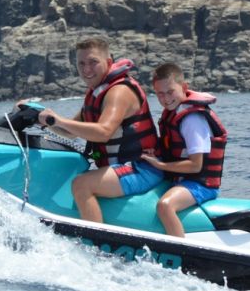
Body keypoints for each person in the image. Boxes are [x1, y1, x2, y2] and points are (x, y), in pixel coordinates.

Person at [35, 37, 161, 222]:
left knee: (81, 184)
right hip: (121, 167)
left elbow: (103, 132)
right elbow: (71, 131)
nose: (86, 70)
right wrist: (43, 120)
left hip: (142, 168)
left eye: (93, 62)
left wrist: (58, 120)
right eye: (81, 64)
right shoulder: (97, 92)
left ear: (108, 62)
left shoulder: (119, 92)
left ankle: (95, 247)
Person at [141, 62, 227, 238]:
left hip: (200, 184)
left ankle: (181, 253)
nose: (165, 99)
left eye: (170, 92)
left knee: (164, 205)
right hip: (182, 179)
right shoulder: (173, 113)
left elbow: (196, 166)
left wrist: (161, 165)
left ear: (184, 87)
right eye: (160, 94)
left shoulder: (191, 119)